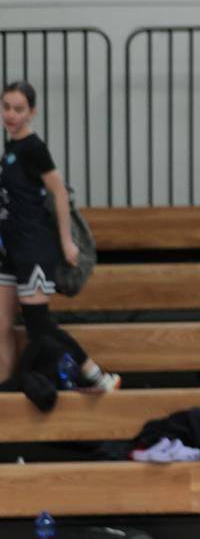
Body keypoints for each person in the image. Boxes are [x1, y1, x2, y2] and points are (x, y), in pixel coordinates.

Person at [0, 81, 118, 390]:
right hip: (10, 250)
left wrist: (67, 242)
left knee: (39, 325)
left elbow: (60, 193)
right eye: (6, 107)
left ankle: (94, 374)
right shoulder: (11, 150)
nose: (10, 115)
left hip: (33, 248)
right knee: (2, 325)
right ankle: (5, 389)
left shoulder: (33, 148)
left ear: (32, 112)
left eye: (18, 109)